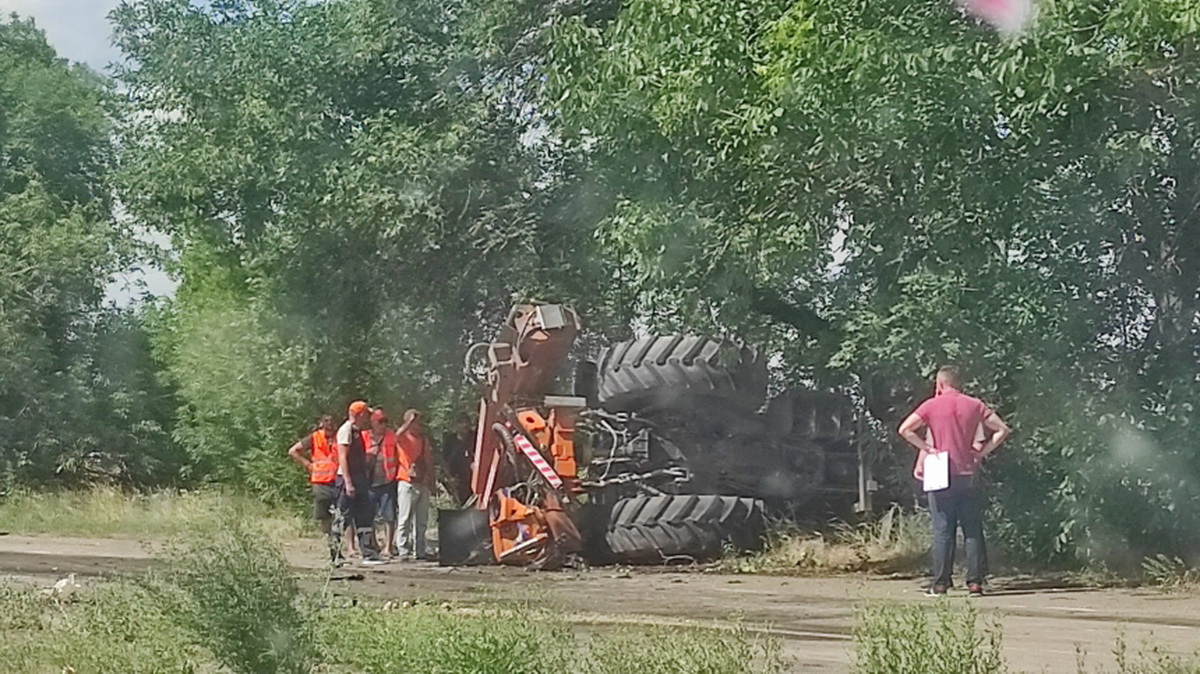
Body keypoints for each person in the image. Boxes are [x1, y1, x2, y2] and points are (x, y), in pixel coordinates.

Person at [898, 366, 1010, 597]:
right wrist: (981, 453)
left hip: (940, 471)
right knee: (972, 530)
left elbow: (905, 429)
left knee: (943, 530)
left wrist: (927, 449)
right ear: (959, 383)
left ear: (940, 384)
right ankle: (975, 583)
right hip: (967, 473)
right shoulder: (974, 404)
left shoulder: (931, 405)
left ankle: (941, 584)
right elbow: (1002, 429)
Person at [287, 414, 341, 562]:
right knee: (325, 518)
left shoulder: (339, 437)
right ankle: (330, 545)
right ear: (321, 424)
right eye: (326, 422)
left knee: (340, 516)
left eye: (332, 422)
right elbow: (293, 451)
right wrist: (307, 464)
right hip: (320, 482)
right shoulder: (314, 437)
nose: (329, 425)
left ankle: (338, 547)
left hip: (338, 481)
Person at [336, 400, 384, 565]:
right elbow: (342, 457)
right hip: (348, 479)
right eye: (366, 415)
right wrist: (348, 483)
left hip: (360, 478)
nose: (368, 418)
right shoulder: (346, 430)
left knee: (364, 515)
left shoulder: (357, 431)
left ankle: (368, 554)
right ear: (360, 414)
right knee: (343, 516)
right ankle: (335, 554)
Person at [394, 409, 433, 561]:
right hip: (407, 482)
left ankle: (420, 551)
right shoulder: (403, 438)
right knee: (404, 518)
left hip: (422, 483)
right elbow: (397, 435)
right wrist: (408, 422)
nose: (418, 425)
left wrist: (430, 479)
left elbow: (428, 460)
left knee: (421, 521)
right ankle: (403, 550)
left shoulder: (423, 440)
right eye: (415, 422)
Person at [364, 408, 400, 558]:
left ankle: (388, 547)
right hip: (368, 482)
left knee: (389, 515)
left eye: (386, 421)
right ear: (373, 422)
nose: (384, 424)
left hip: (387, 480)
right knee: (368, 516)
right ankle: (373, 544)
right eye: (380, 421)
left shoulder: (392, 435)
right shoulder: (364, 436)